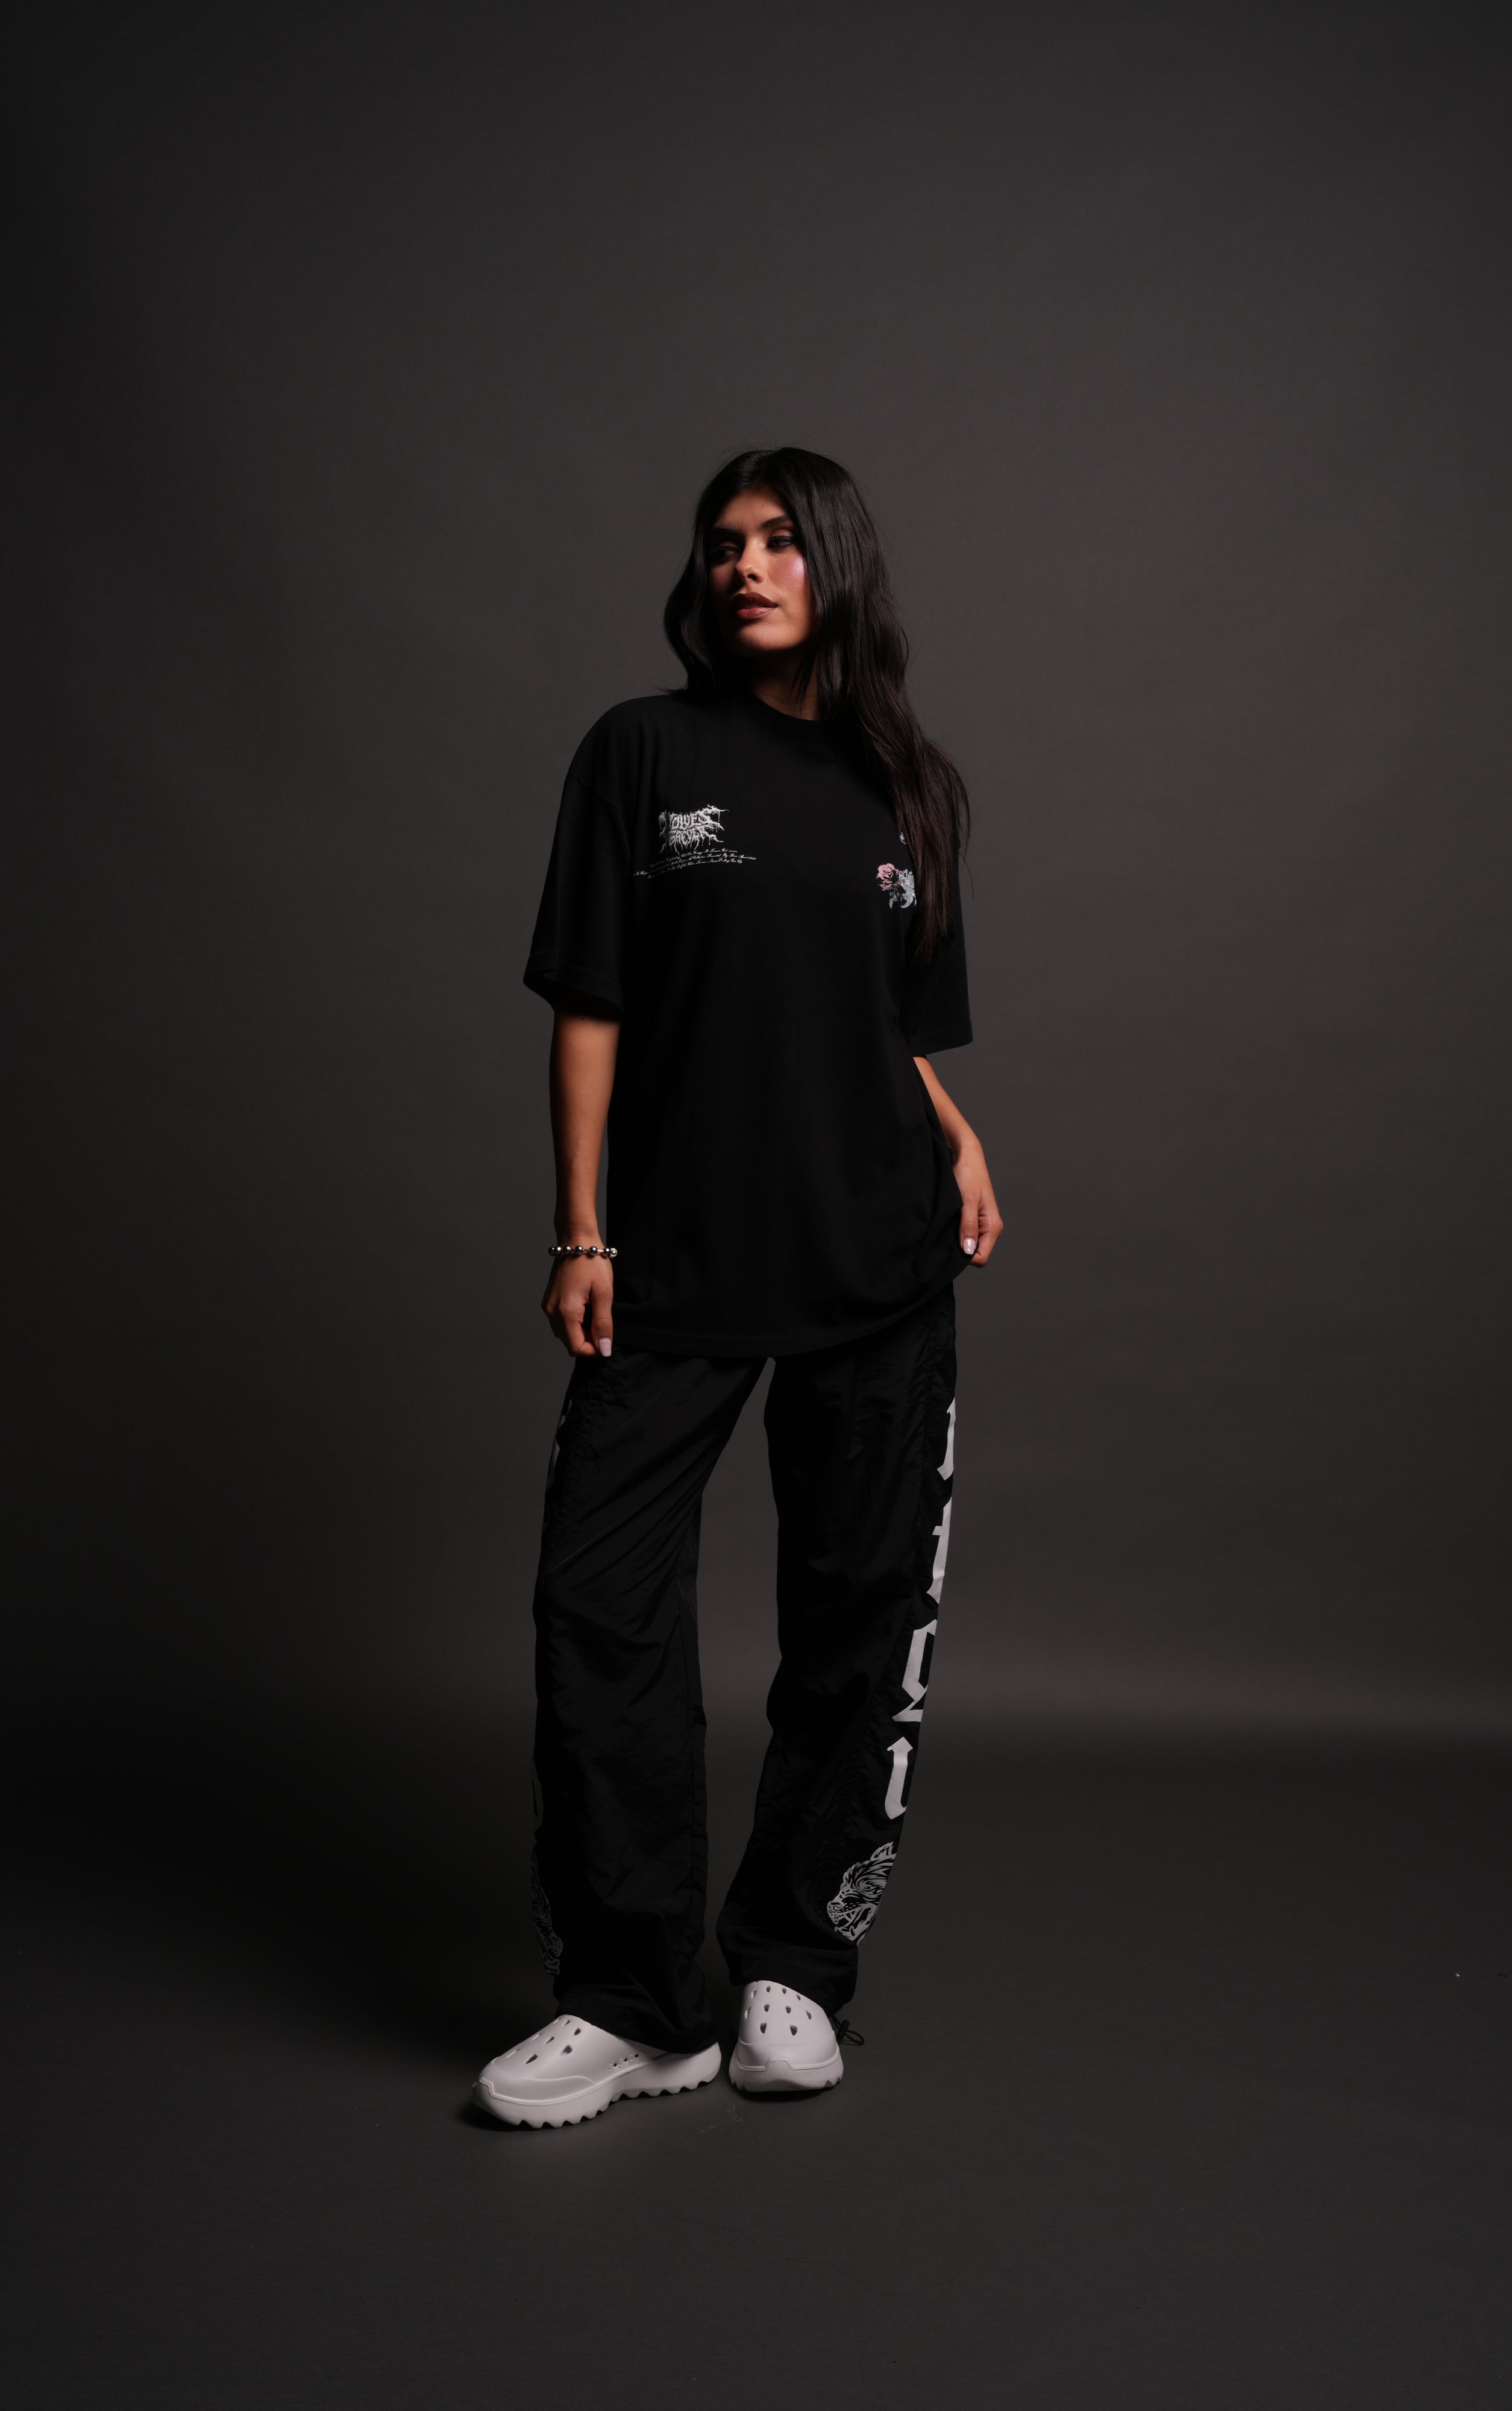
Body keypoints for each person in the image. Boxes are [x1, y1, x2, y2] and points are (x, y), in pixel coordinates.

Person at [473, 447, 1000, 2128]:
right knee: (598, 1607)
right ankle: (633, 2000)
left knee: (857, 1625)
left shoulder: (909, 787)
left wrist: (958, 1136)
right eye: (722, 546)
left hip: (877, 1260)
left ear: (838, 565)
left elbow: (891, 1029)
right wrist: (580, 1231)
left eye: (779, 541)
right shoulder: (641, 752)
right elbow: (591, 1009)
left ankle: (791, 1968)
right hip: (679, 1262)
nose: (747, 567)